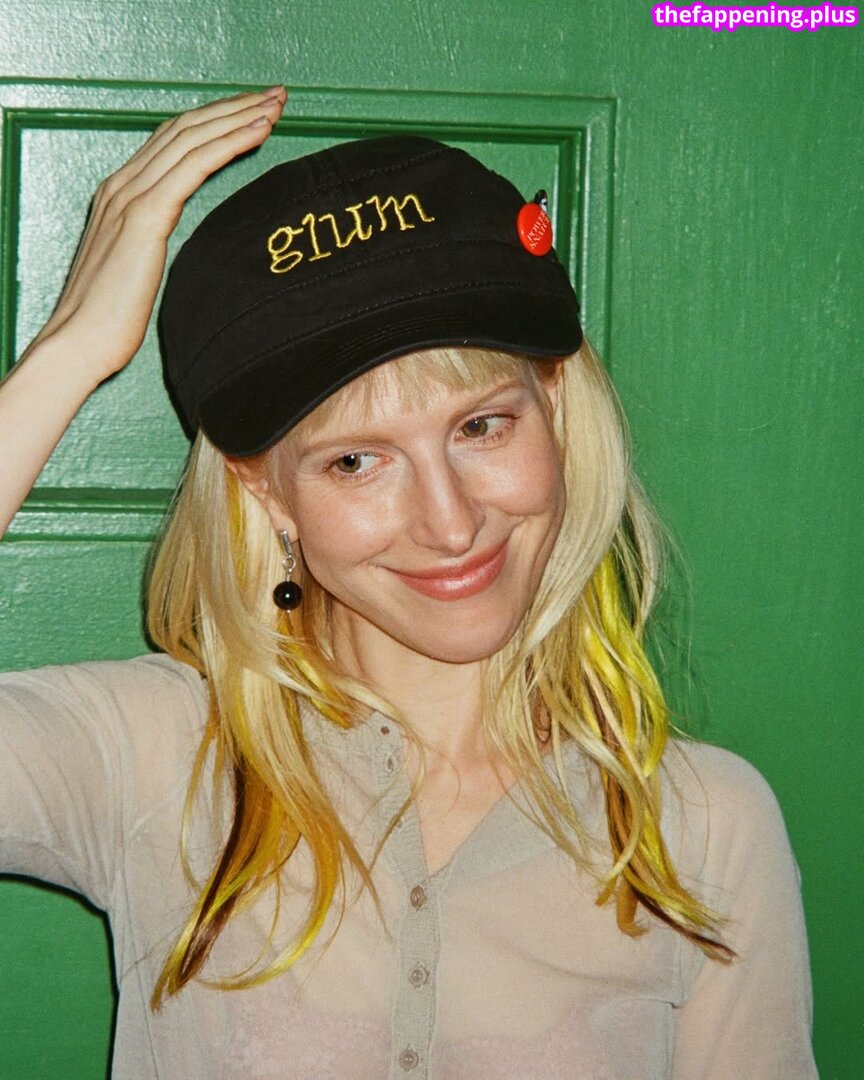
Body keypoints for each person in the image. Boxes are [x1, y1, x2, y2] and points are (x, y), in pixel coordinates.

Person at [0, 88, 817, 1079]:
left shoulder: (701, 825)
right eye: (357, 461)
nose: (450, 522)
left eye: (482, 426)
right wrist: (71, 352)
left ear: (556, 409)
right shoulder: (156, 759)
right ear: (266, 490)